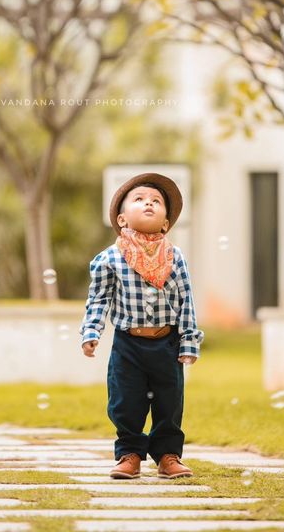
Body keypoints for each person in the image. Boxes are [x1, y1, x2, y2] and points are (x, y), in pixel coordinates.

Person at [80, 172, 204, 479]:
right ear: (122, 220)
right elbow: (99, 299)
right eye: (139, 199)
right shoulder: (108, 259)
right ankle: (130, 454)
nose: (148, 203)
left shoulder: (176, 258)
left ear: (165, 222)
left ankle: (168, 455)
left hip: (167, 342)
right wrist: (92, 332)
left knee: (169, 400)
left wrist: (188, 341)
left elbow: (186, 300)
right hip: (128, 343)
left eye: (156, 201)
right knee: (125, 399)